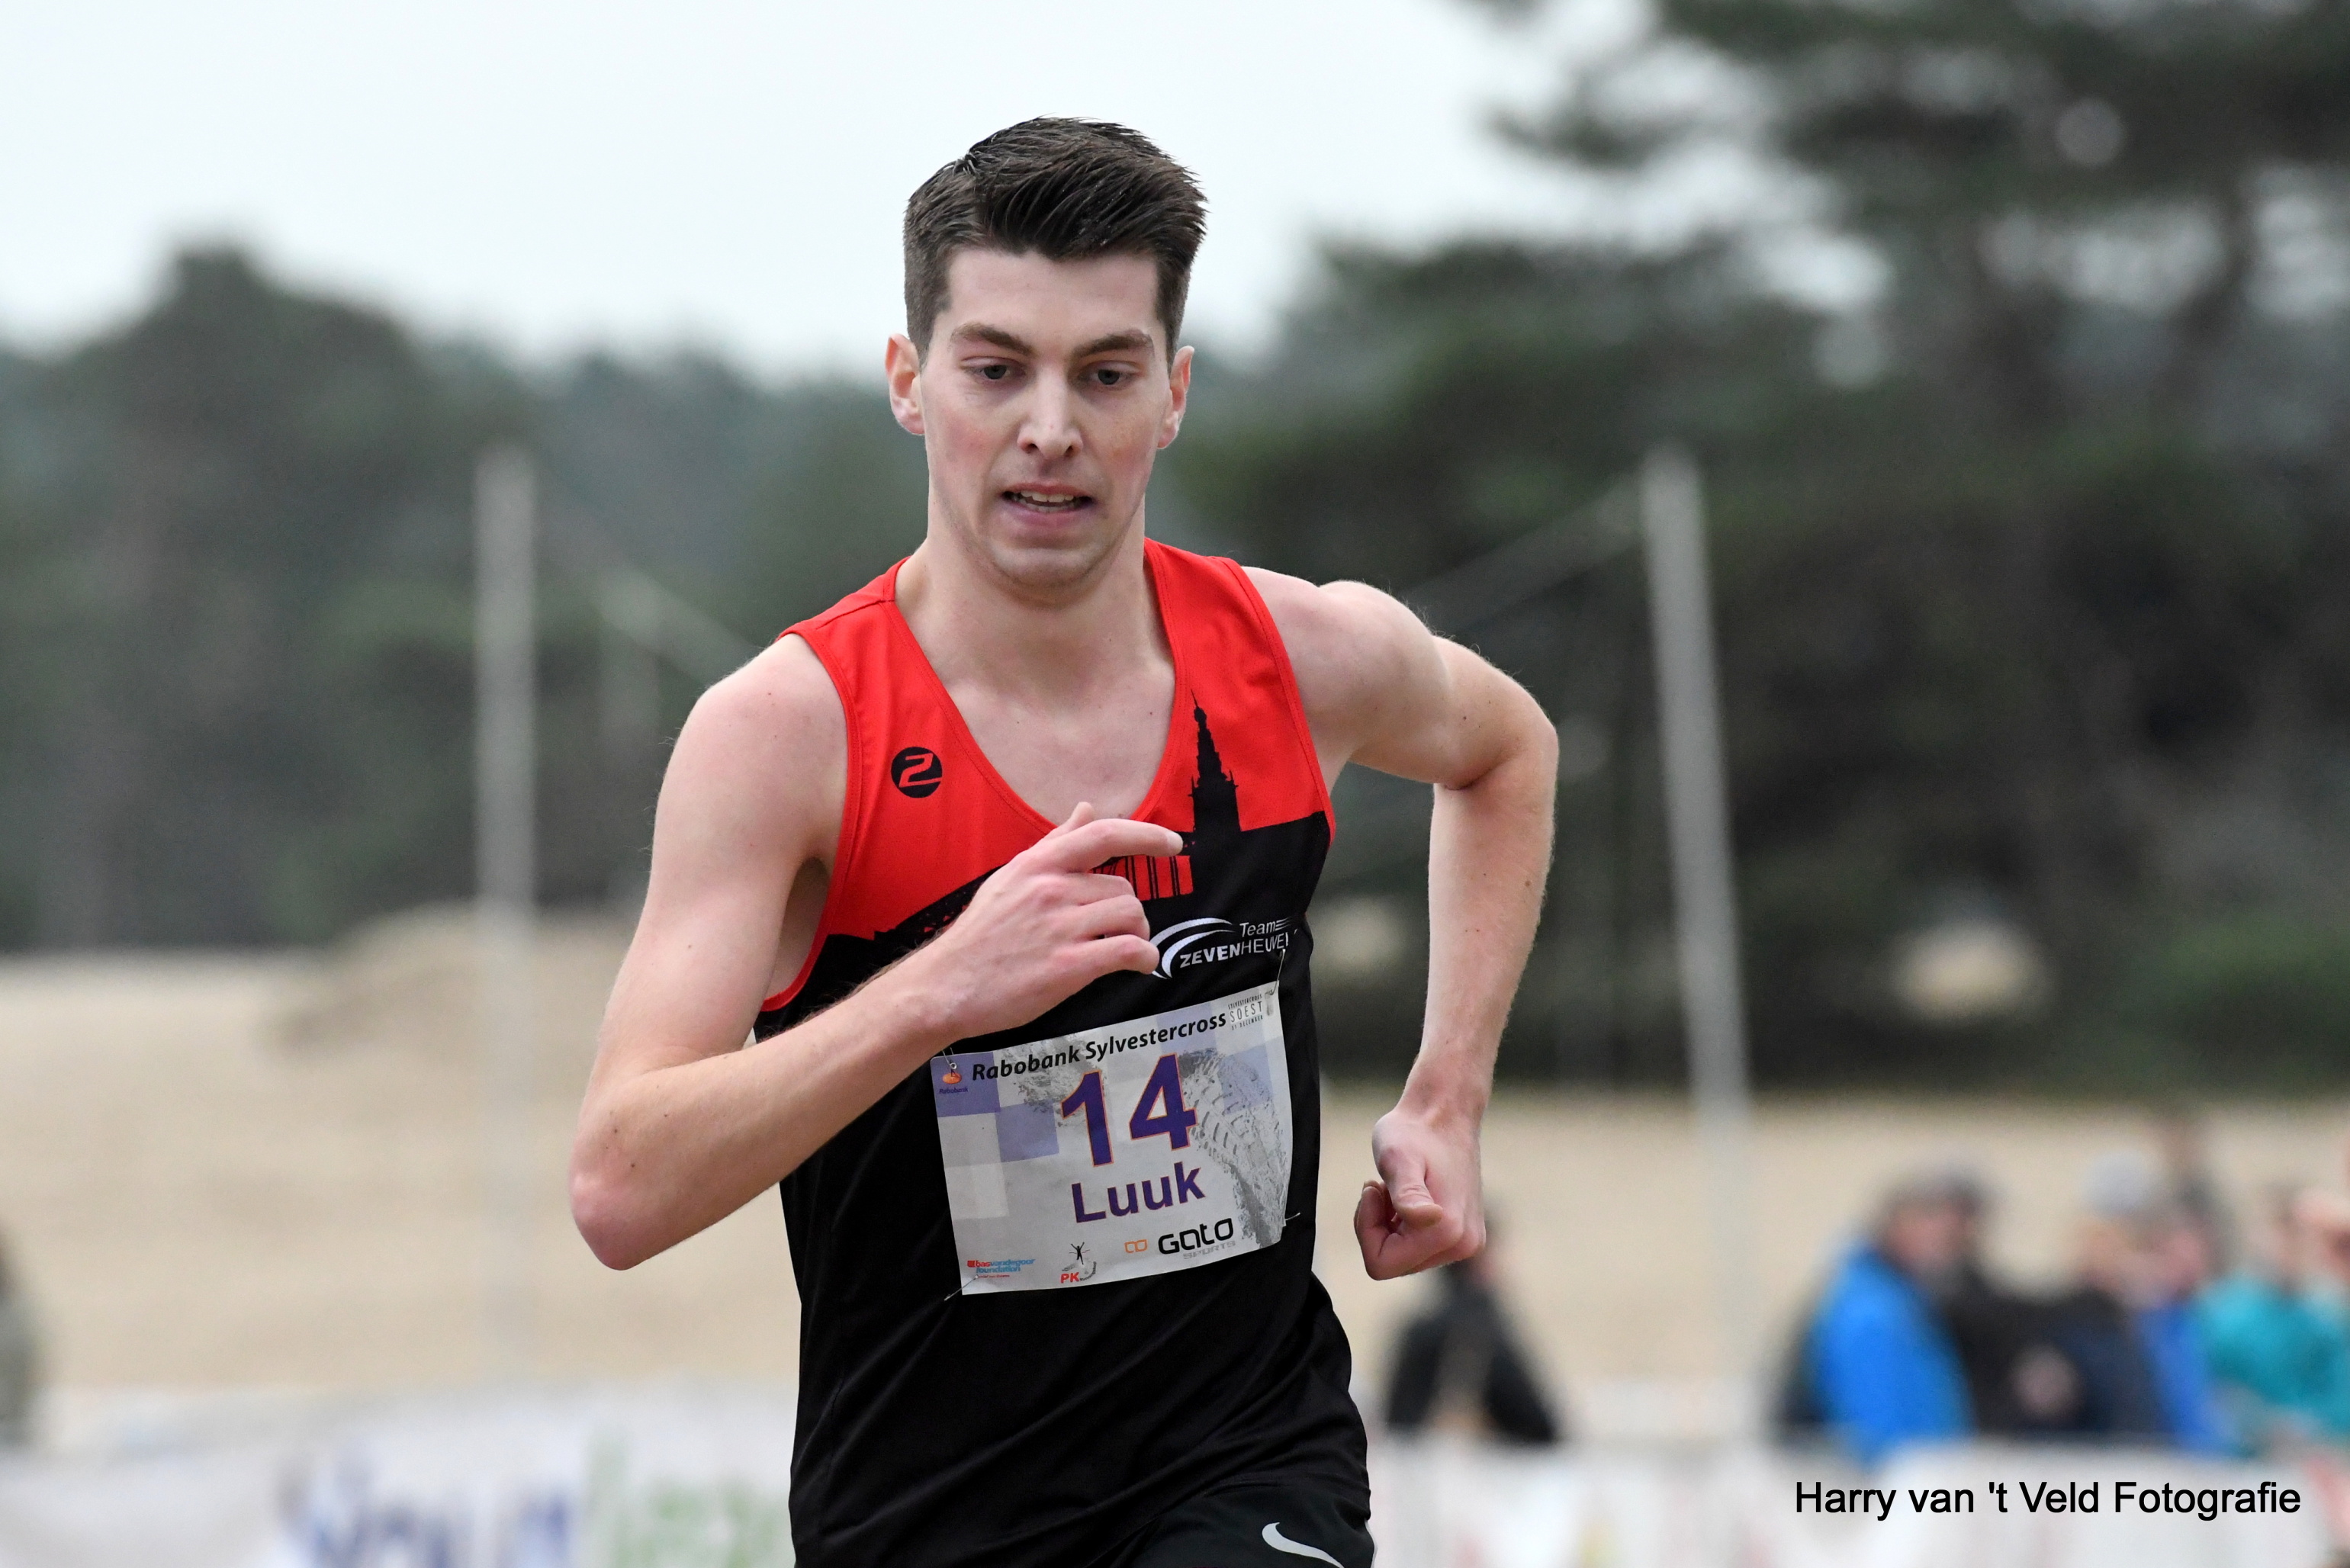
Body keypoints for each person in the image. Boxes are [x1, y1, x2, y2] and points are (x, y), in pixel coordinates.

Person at [568, 119, 1558, 1568]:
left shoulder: (1298, 658)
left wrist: (1448, 1097)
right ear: (909, 382)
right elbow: (619, 1187)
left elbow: (1507, 749)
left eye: (1105, 373)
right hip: (925, 1512)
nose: (1051, 427)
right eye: (996, 369)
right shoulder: (788, 733)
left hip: (1246, 1466)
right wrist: (937, 991)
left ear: (1173, 395)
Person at [1792, 1173, 1974, 1464]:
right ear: (1899, 1225)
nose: (1948, 1244)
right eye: (1937, 1227)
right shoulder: (1872, 1311)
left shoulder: (1904, 1299)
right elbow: (1879, 1435)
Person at [2198, 1184, 2350, 1452]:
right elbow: (2206, 1393)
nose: (2290, 1247)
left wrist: (2311, 1426)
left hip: (2315, 1459)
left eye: (2299, 1237)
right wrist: (2258, 1423)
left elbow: (2340, 1395)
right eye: (2281, 1234)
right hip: (2239, 1465)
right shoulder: (2220, 1313)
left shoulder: (2327, 1320)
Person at [1384, 1224, 1563, 1447]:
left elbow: (1395, 1422)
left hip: (1419, 1459)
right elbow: (1541, 1427)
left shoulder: (1418, 1329)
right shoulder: (1486, 1328)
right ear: (1480, 1261)